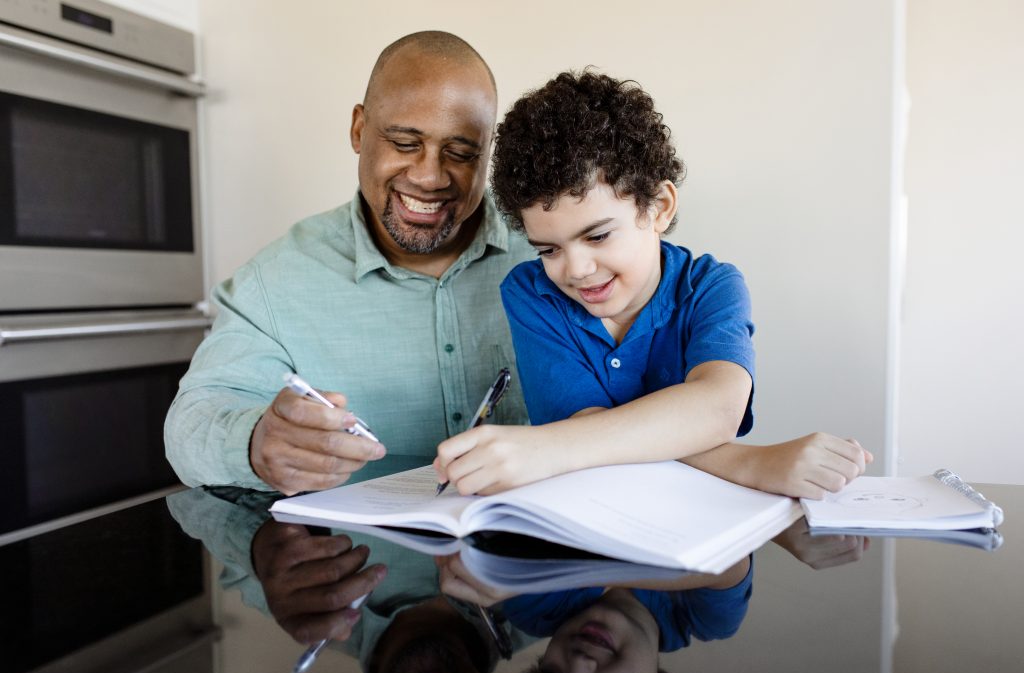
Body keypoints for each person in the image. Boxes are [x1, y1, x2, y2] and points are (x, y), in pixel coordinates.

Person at [435, 71, 872, 499]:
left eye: (598, 236)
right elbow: (587, 428)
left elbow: (717, 407)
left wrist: (550, 447)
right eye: (548, 249)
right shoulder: (532, 294)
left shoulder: (712, 287)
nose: (577, 269)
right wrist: (751, 464)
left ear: (659, 207)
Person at [164, 31, 534, 494]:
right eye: (404, 142)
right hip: (365, 559)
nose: (429, 176)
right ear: (359, 130)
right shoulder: (275, 281)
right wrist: (255, 442)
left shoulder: (553, 243)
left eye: (460, 153)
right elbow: (189, 426)